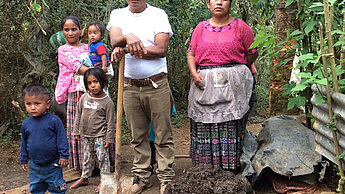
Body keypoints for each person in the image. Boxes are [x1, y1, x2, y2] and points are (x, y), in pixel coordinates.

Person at [107, 0, 175, 193]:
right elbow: (114, 41)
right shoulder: (117, 15)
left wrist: (127, 48)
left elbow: (161, 50)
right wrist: (127, 37)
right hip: (129, 86)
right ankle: (143, 176)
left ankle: (166, 178)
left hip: (157, 84)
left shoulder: (158, 14)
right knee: (138, 136)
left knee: (163, 134)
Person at [187, 0, 258, 172]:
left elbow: (252, 53)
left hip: (233, 88)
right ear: (208, 4)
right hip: (203, 85)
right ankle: (205, 169)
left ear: (230, 3)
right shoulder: (200, 28)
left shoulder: (241, 27)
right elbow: (191, 53)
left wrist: (235, 71)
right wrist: (194, 73)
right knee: (204, 123)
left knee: (231, 123)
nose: (219, 2)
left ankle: (231, 169)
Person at [70, 68, 115, 192]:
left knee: (102, 159)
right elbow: (78, 115)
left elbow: (110, 122)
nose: (93, 85)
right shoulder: (84, 97)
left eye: (95, 82)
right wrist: (76, 131)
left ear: (103, 82)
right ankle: (84, 177)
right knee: (87, 157)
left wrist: (109, 138)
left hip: (100, 135)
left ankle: (104, 180)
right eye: (89, 83)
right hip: (86, 134)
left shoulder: (107, 102)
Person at [55, 15, 90, 170]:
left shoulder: (88, 47)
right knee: (77, 127)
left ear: (80, 30)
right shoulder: (63, 50)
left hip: (91, 91)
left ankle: (96, 163)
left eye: (74, 29)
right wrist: (98, 74)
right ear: (62, 32)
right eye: (66, 30)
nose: (70, 33)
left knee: (94, 125)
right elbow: (77, 66)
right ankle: (81, 164)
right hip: (75, 93)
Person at [20, 84, 69, 193]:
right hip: (34, 166)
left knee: (57, 187)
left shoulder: (54, 121)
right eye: (28, 104)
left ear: (47, 104)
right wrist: (23, 159)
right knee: (35, 188)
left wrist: (64, 155)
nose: (32, 107)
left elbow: (62, 138)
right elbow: (24, 142)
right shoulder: (26, 124)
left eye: (37, 103)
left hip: (53, 164)